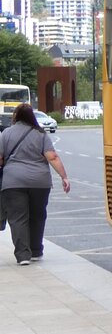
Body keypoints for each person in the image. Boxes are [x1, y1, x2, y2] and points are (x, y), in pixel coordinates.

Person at [0, 103, 70, 265]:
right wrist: (64, 177)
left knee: (18, 218)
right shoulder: (41, 134)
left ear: (15, 117)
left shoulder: (6, 134)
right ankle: (36, 251)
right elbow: (52, 157)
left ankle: (23, 255)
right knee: (38, 216)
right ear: (31, 116)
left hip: (13, 182)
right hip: (40, 183)